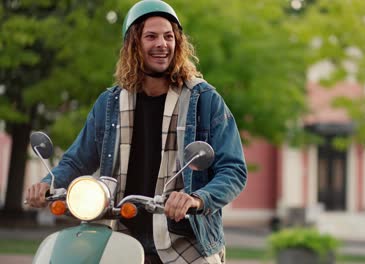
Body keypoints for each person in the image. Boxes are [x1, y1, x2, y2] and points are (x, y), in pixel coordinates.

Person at [25, 0, 247, 263]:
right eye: (151, 36)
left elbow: (233, 170)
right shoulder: (110, 103)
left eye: (168, 36)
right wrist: (48, 185)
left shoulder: (204, 99)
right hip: (121, 232)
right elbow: (77, 159)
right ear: (133, 44)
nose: (161, 44)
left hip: (184, 238)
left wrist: (196, 199)